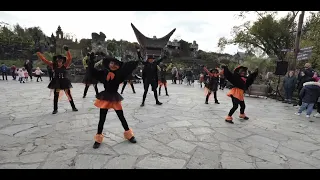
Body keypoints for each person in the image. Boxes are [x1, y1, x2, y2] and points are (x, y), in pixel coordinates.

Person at [86, 52, 140, 149]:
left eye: (116, 64)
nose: (114, 65)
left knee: (121, 117)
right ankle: (98, 138)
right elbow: (92, 72)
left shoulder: (120, 74)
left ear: (119, 66)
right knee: (102, 118)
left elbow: (129, 67)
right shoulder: (103, 73)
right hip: (105, 97)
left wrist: (139, 55)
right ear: (108, 63)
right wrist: (91, 60)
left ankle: (129, 135)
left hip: (115, 98)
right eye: (112, 63)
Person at [36, 45, 78, 114]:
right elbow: (44, 60)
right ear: (56, 61)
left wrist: (67, 51)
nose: (59, 62)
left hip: (64, 82)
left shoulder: (65, 65)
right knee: (56, 95)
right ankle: (55, 109)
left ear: (63, 61)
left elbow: (70, 58)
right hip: (57, 83)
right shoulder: (53, 65)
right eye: (58, 61)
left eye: (61, 61)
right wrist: (39, 53)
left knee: (68, 94)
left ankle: (73, 107)